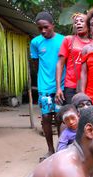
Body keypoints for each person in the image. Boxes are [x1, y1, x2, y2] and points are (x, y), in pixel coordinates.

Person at [30, 11, 65, 162]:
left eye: (46, 27)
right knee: (45, 117)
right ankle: (50, 150)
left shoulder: (64, 41)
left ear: (53, 26)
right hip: (44, 87)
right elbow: (36, 64)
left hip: (61, 86)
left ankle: (61, 149)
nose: (43, 31)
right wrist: (43, 81)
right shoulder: (36, 42)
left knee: (59, 118)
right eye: (40, 28)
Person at [56, 13, 91, 105]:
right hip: (71, 86)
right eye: (76, 22)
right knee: (72, 114)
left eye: (82, 21)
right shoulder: (68, 40)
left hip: (89, 86)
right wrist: (58, 88)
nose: (78, 23)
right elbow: (60, 64)